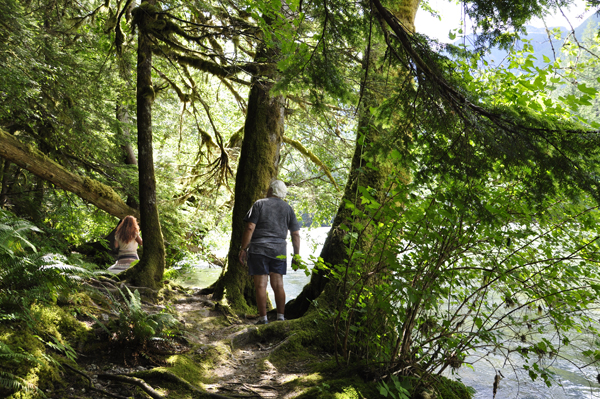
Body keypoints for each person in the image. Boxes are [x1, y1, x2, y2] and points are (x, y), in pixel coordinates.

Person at [239, 180, 301, 324]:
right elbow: (295, 234)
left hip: (259, 250)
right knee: (278, 284)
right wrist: (296, 255)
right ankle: (280, 317)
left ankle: (263, 319)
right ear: (283, 193)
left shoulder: (259, 204)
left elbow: (249, 227)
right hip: (279, 250)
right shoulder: (288, 208)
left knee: (261, 285)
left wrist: (243, 249)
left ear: (270, 190)